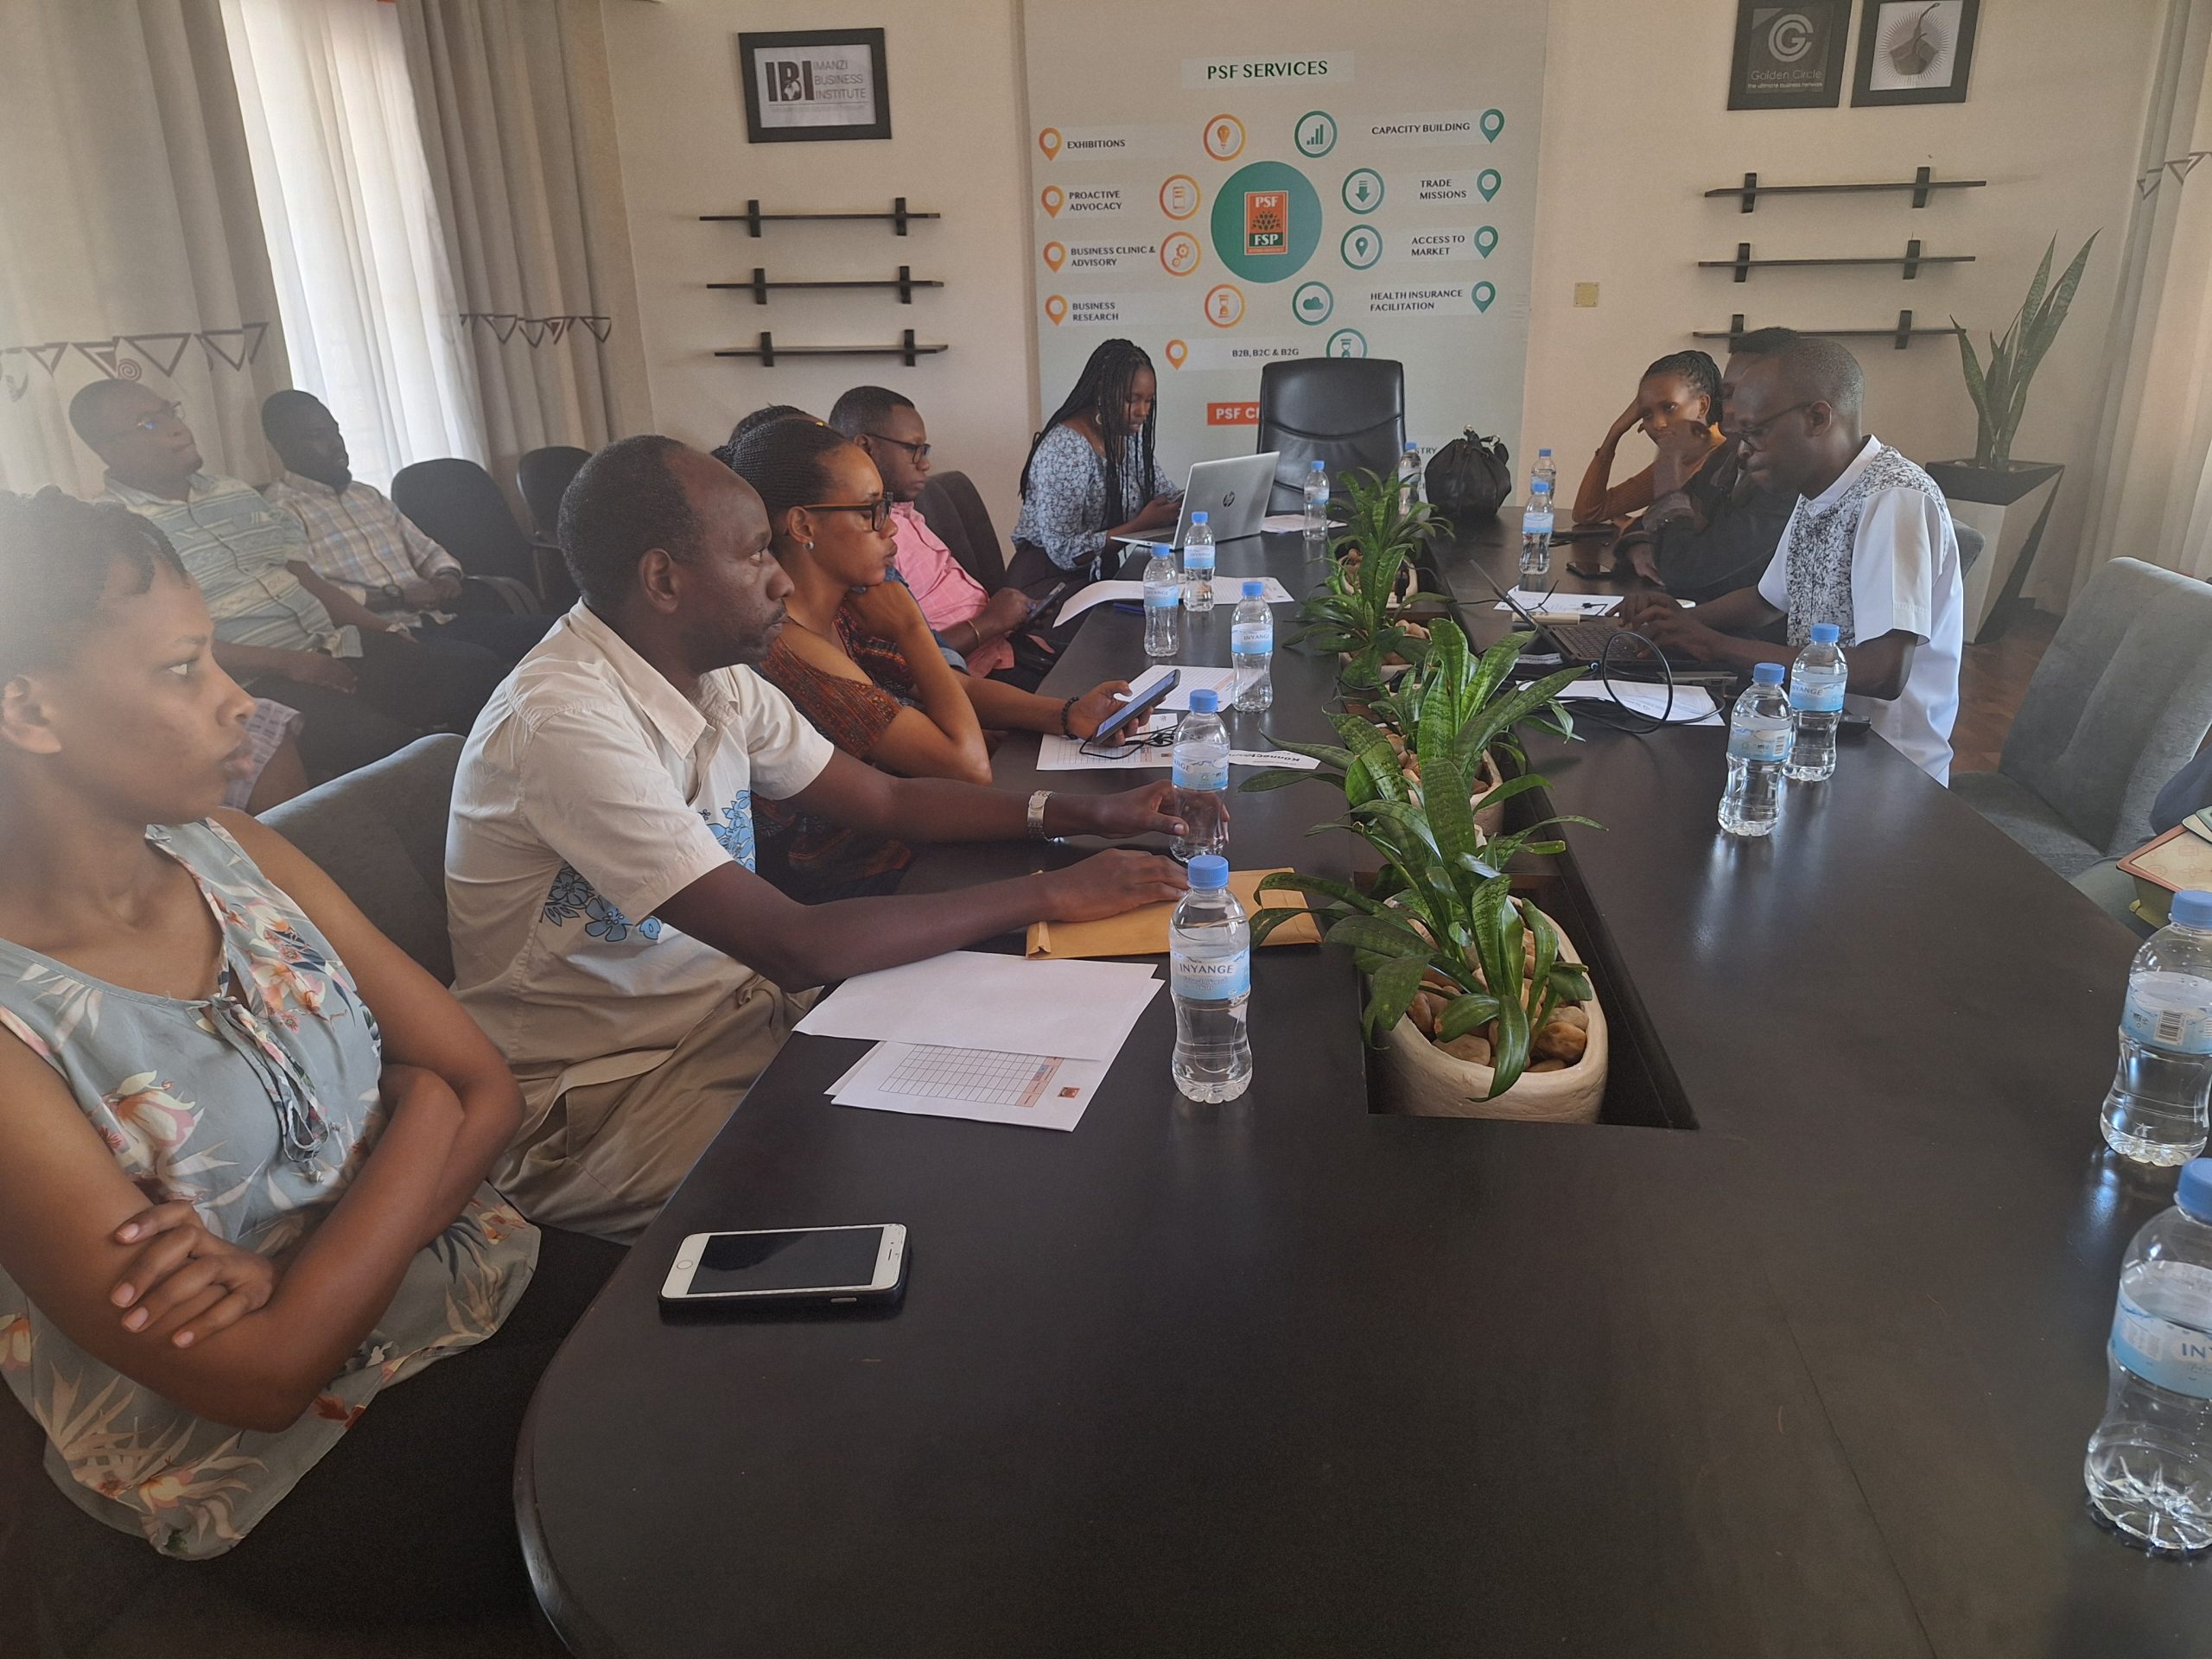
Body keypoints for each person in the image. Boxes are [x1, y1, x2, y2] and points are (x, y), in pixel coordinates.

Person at [0, 491, 623, 1638]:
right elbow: (260, 1378)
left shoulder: (234, 851)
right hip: (282, 1457)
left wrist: (299, 1271)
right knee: (667, 1500)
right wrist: (418, 1114)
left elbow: (485, 1085)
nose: (238, 698)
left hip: (477, 1274)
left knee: (767, 1359)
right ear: (29, 708)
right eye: (183, 668)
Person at [446, 435, 1190, 1241]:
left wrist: (1085, 815)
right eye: (753, 555)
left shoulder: (715, 675)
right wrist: (1051, 893)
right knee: (929, 1192)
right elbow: (792, 943)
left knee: (1038, 1087)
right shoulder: (564, 723)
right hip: (606, 1095)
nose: (779, 579)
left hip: (739, 1015)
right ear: (663, 579)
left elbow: (889, 802)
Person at [729, 419, 1141, 900]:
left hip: (925, 832)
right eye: (870, 511)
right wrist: (912, 628)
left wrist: (1068, 714)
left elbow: (950, 685)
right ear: (803, 526)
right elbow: (966, 767)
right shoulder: (789, 651)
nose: (890, 528)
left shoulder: (849, 607)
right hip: (865, 878)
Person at [71, 381, 508, 784]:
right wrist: (288, 663)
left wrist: (386, 630)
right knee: (398, 751)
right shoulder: (117, 534)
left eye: (171, 411)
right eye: (150, 423)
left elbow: (306, 579)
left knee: (489, 686)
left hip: (336, 644)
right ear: (106, 448)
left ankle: (515, 808)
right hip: (254, 682)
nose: (178, 428)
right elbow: (165, 648)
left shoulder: (233, 492)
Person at [1620, 335, 1964, 782]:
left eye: (1755, 434)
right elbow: (1765, 600)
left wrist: (1715, 644)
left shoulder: (1893, 499)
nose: (1742, 453)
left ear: (1817, 418)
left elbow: (1883, 672)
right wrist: (1676, 623)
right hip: (1815, 739)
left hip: (1886, 766)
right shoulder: (1817, 490)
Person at [261, 390, 555, 664]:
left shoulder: (366, 495)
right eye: (317, 436)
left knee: (559, 634)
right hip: (379, 636)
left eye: (335, 431)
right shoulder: (280, 510)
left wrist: (445, 576)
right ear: (282, 446)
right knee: (486, 665)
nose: (336, 443)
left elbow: (426, 550)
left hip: (436, 619)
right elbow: (314, 594)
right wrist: (397, 597)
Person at [830, 385, 1038, 678]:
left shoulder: (906, 512)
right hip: (972, 673)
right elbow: (903, 661)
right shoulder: (867, 541)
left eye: (924, 451)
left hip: (1002, 645)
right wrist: (990, 622)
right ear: (865, 447)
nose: (925, 463)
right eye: (913, 450)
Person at [1612, 329, 1799, 604]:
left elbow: (1685, 571)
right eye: (1727, 395)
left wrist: (1668, 472)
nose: (1728, 409)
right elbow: (1645, 523)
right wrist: (1639, 546)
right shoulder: (1726, 458)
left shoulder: (1787, 486)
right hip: (1698, 618)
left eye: (1745, 394)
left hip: (1734, 628)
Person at [1007, 338, 1181, 600]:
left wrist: (1197, 501)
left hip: (1096, 578)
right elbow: (1064, 551)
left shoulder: (1125, 436)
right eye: (1131, 400)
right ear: (1102, 392)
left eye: (1149, 401)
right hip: (1046, 586)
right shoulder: (1066, 449)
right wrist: (1140, 525)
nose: (1143, 411)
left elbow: (1163, 492)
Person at [1572, 349, 1729, 528]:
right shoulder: (1674, 463)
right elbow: (1587, 512)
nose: (1658, 424)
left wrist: (1635, 527)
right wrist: (1616, 431)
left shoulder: (1726, 460)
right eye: (1647, 414)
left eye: (1669, 408)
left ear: (1702, 405)